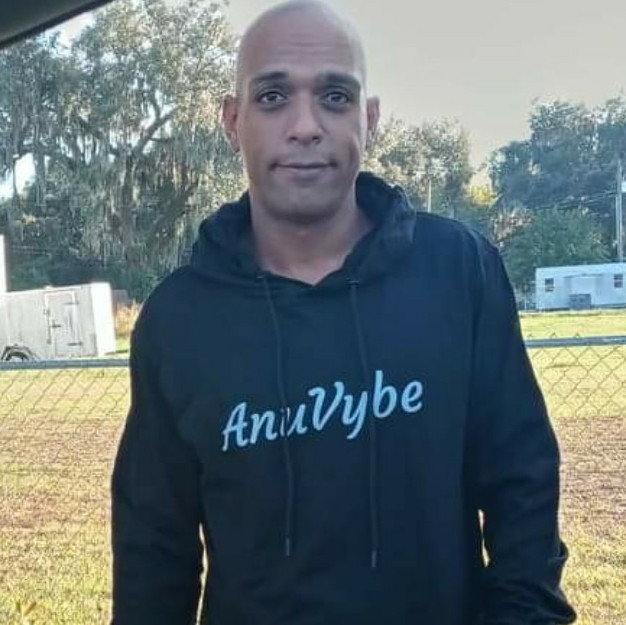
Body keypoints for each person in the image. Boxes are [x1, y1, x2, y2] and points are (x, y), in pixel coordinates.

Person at [110, 1, 576, 624]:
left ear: (370, 119)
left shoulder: (459, 271)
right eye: (273, 97)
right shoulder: (178, 320)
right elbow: (153, 548)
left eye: (335, 97)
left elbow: (523, 484)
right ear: (232, 120)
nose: (305, 126)